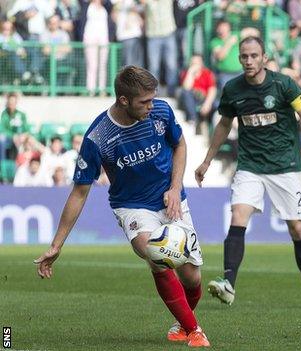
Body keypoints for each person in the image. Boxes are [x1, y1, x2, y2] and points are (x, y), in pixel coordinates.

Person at [33, 66, 210, 348]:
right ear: (124, 100)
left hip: (171, 199)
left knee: (192, 276)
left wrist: (175, 188)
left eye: (153, 99)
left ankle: (181, 324)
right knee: (155, 254)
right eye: (144, 102)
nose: (151, 107)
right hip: (132, 206)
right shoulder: (98, 137)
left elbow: (180, 145)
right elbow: (80, 192)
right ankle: (195, 331)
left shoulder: (162, 112)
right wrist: (56, 245)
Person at [194, 36, 301, 311]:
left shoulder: (283, 85)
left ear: (264, 57)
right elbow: (223, 124)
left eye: (254, 56)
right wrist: (206, 161)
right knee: (238, 215)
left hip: (285, 167)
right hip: (250, 165)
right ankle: (228, 283)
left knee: (296, 227)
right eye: (244, 56)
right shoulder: (233, 88)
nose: (248, 61)